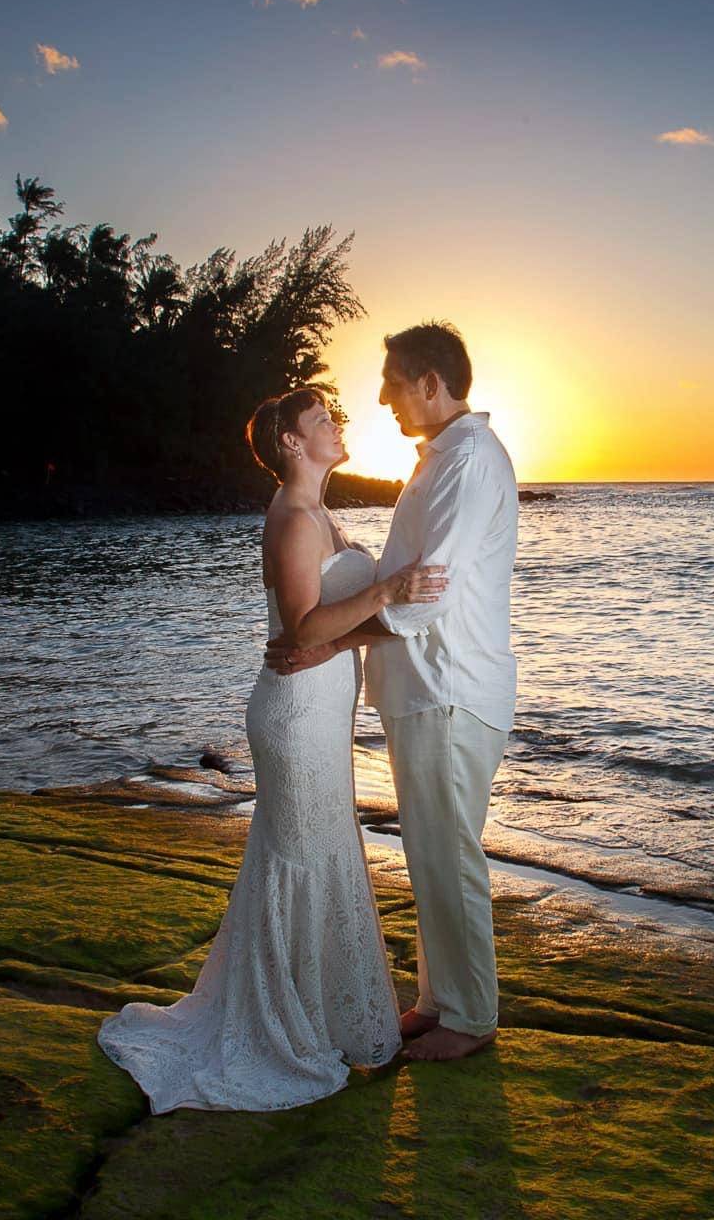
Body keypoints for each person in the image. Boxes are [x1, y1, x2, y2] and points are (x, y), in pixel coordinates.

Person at [97, 386, 447, 1113]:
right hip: (294, 714)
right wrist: (387, 593)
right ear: (290, 442)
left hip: (320, 705)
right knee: (302, 857)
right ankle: (283, 1030)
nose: (334, 424)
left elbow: (320, 634)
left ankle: (321, 1018)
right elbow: (302, 631)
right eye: (320, 419)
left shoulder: (321, 512)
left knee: (320, 851)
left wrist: (396, 611)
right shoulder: (291, 518)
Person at [268, 322, 519, 1064]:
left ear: (430, 384)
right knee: (433, 852)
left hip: (449, 686)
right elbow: (409, 582)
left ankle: (470, 1019)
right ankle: (440, 1002)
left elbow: (424, 595)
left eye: (391, 381)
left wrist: (335, 641)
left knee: (448, 853)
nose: (380, 397)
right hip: (426, 686)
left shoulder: (467, 463)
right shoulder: (442, 461)